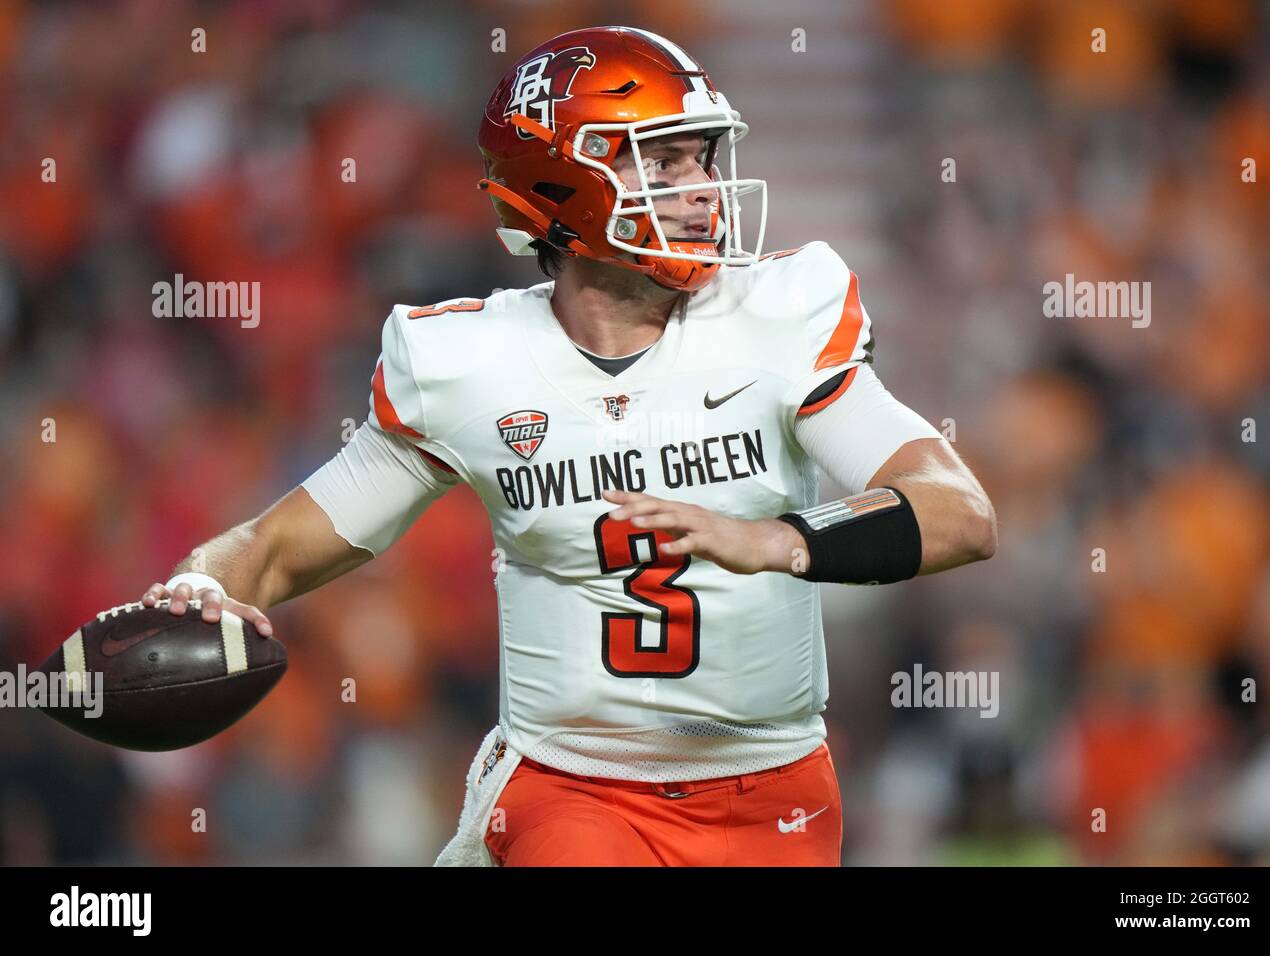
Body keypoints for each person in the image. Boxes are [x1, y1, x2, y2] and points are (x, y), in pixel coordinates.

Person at [142, 26, 996, 866]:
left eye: (703, 159)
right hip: (575, 789)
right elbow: (280, 545)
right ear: (561, 184)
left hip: (770, 789)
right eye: (662, 163)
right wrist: (203, 583)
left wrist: (781, 539)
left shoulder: (777, 317)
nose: (702, 190)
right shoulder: (468, 366)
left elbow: (959, 513)